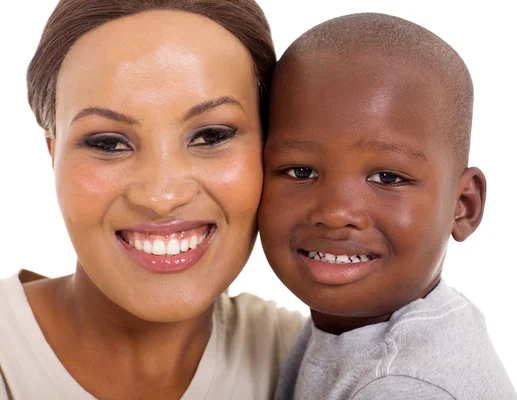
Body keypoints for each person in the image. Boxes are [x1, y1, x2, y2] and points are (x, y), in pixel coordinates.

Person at [0, 1, 304, 399]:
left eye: (211, 136)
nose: (162, 197)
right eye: (108, 143)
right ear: (53, 154)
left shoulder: (314, 360)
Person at [259, 13, 517, 400]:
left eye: (388, 178)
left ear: (462, 207)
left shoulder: (400, 386)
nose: (335, 212)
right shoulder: (361, 330)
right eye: (300, 171)